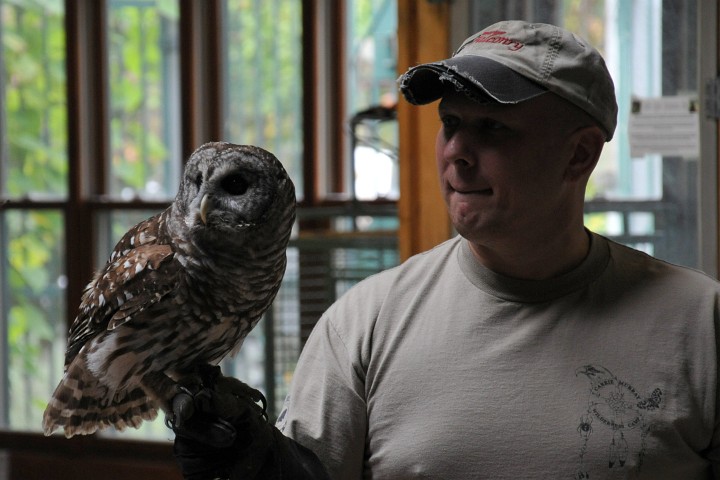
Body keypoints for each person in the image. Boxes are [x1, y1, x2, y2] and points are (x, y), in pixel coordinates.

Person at [171, 20, 720, 479]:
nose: (456, 151)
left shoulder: (698, 321)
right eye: (450, 123)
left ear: (579, 156)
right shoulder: (366, 322)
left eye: (492, 128)